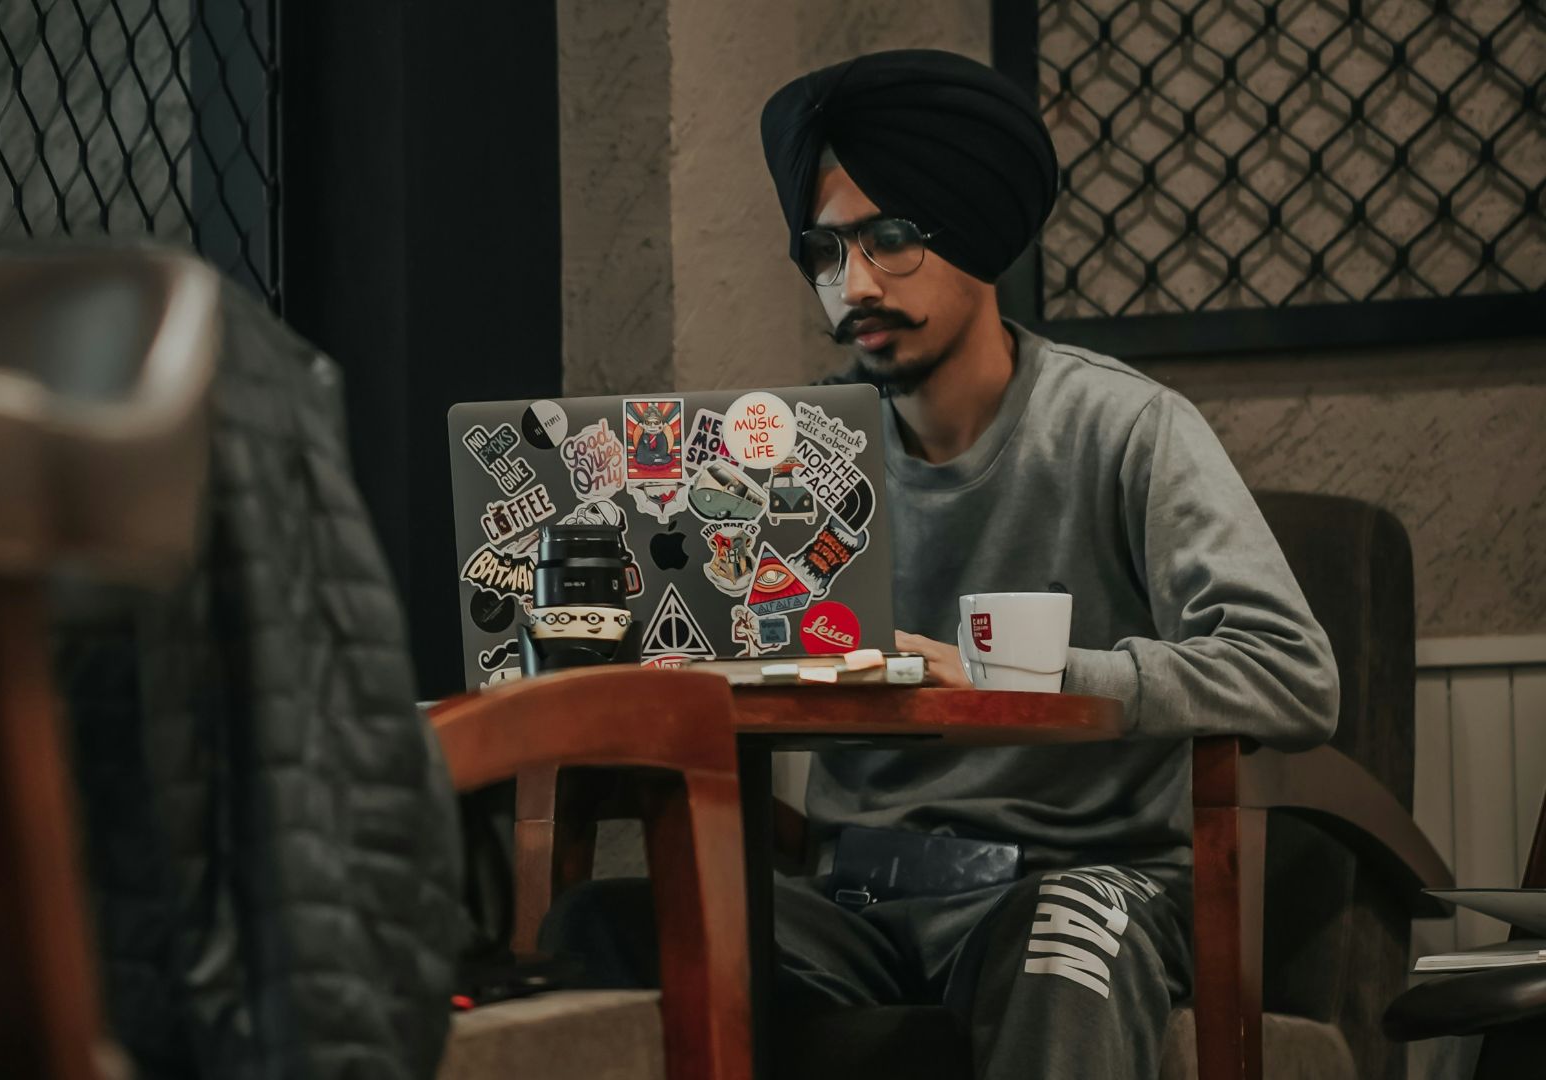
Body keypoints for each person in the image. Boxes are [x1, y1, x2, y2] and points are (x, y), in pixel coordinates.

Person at [539, 49, 1338, 1079]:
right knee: (595, 928)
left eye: (892, 238)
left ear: (974, 234)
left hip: (1067, 882)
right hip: (858, 899)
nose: (855, 284)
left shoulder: (1127, 428)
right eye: (825, 250)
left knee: (1061, 940)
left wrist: (1033, 677)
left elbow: (1291, 672)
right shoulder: (791, 459)